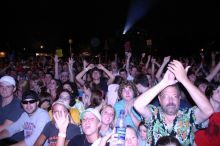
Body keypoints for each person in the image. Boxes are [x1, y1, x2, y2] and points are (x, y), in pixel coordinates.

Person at [133, 60, 214, 145]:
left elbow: (208, 110)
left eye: (174, 96)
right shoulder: (153, 114)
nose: (170, 101)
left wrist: (184, 80)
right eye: (166, 96)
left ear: (179, 98)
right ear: (159, 99)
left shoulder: (188, 115)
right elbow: (138, 105)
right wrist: (163, 83)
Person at [0, 75, 24, 144]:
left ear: (14, 89)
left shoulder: (17, 105)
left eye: (8, 87)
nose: (4, 90)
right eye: (1, 86)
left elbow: (4, 127)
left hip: (12, 141)